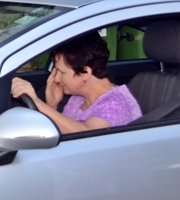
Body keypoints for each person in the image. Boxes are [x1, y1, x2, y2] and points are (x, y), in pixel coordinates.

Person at [11, 33, 141, 134]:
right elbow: (63, 132)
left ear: (85, 72)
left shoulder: (116, 104)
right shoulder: (79, 98)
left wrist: (38, 103)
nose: (56, 79)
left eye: (62, 72)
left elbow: (87, 137)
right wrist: (52, 105)